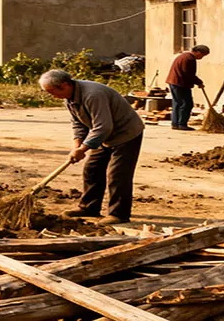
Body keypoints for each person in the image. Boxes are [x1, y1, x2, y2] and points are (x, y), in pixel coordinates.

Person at [39, 69, 145, 225]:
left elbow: (103, 126)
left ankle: (119, 214)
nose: (53, 96)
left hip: (125, 134)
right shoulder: (69, 97)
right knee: (92, 169)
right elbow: (78, 123)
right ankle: (89, 208)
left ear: (65, 85)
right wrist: (77, 146)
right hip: (103, 136)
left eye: (53, 92)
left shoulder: (93, 95)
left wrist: (83, 149)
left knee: (117, 175)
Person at [166, 45, 209, 131]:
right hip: (180, 83)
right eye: (202, 55)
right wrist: (199, 82)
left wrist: (197, 82)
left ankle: (175, 123)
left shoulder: (184, 56)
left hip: (174, 82)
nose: (202, 57)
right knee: (186, 103)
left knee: (177, 103)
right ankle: (182, 124)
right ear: (198, 52)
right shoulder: (189, 59)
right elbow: (188, 74)